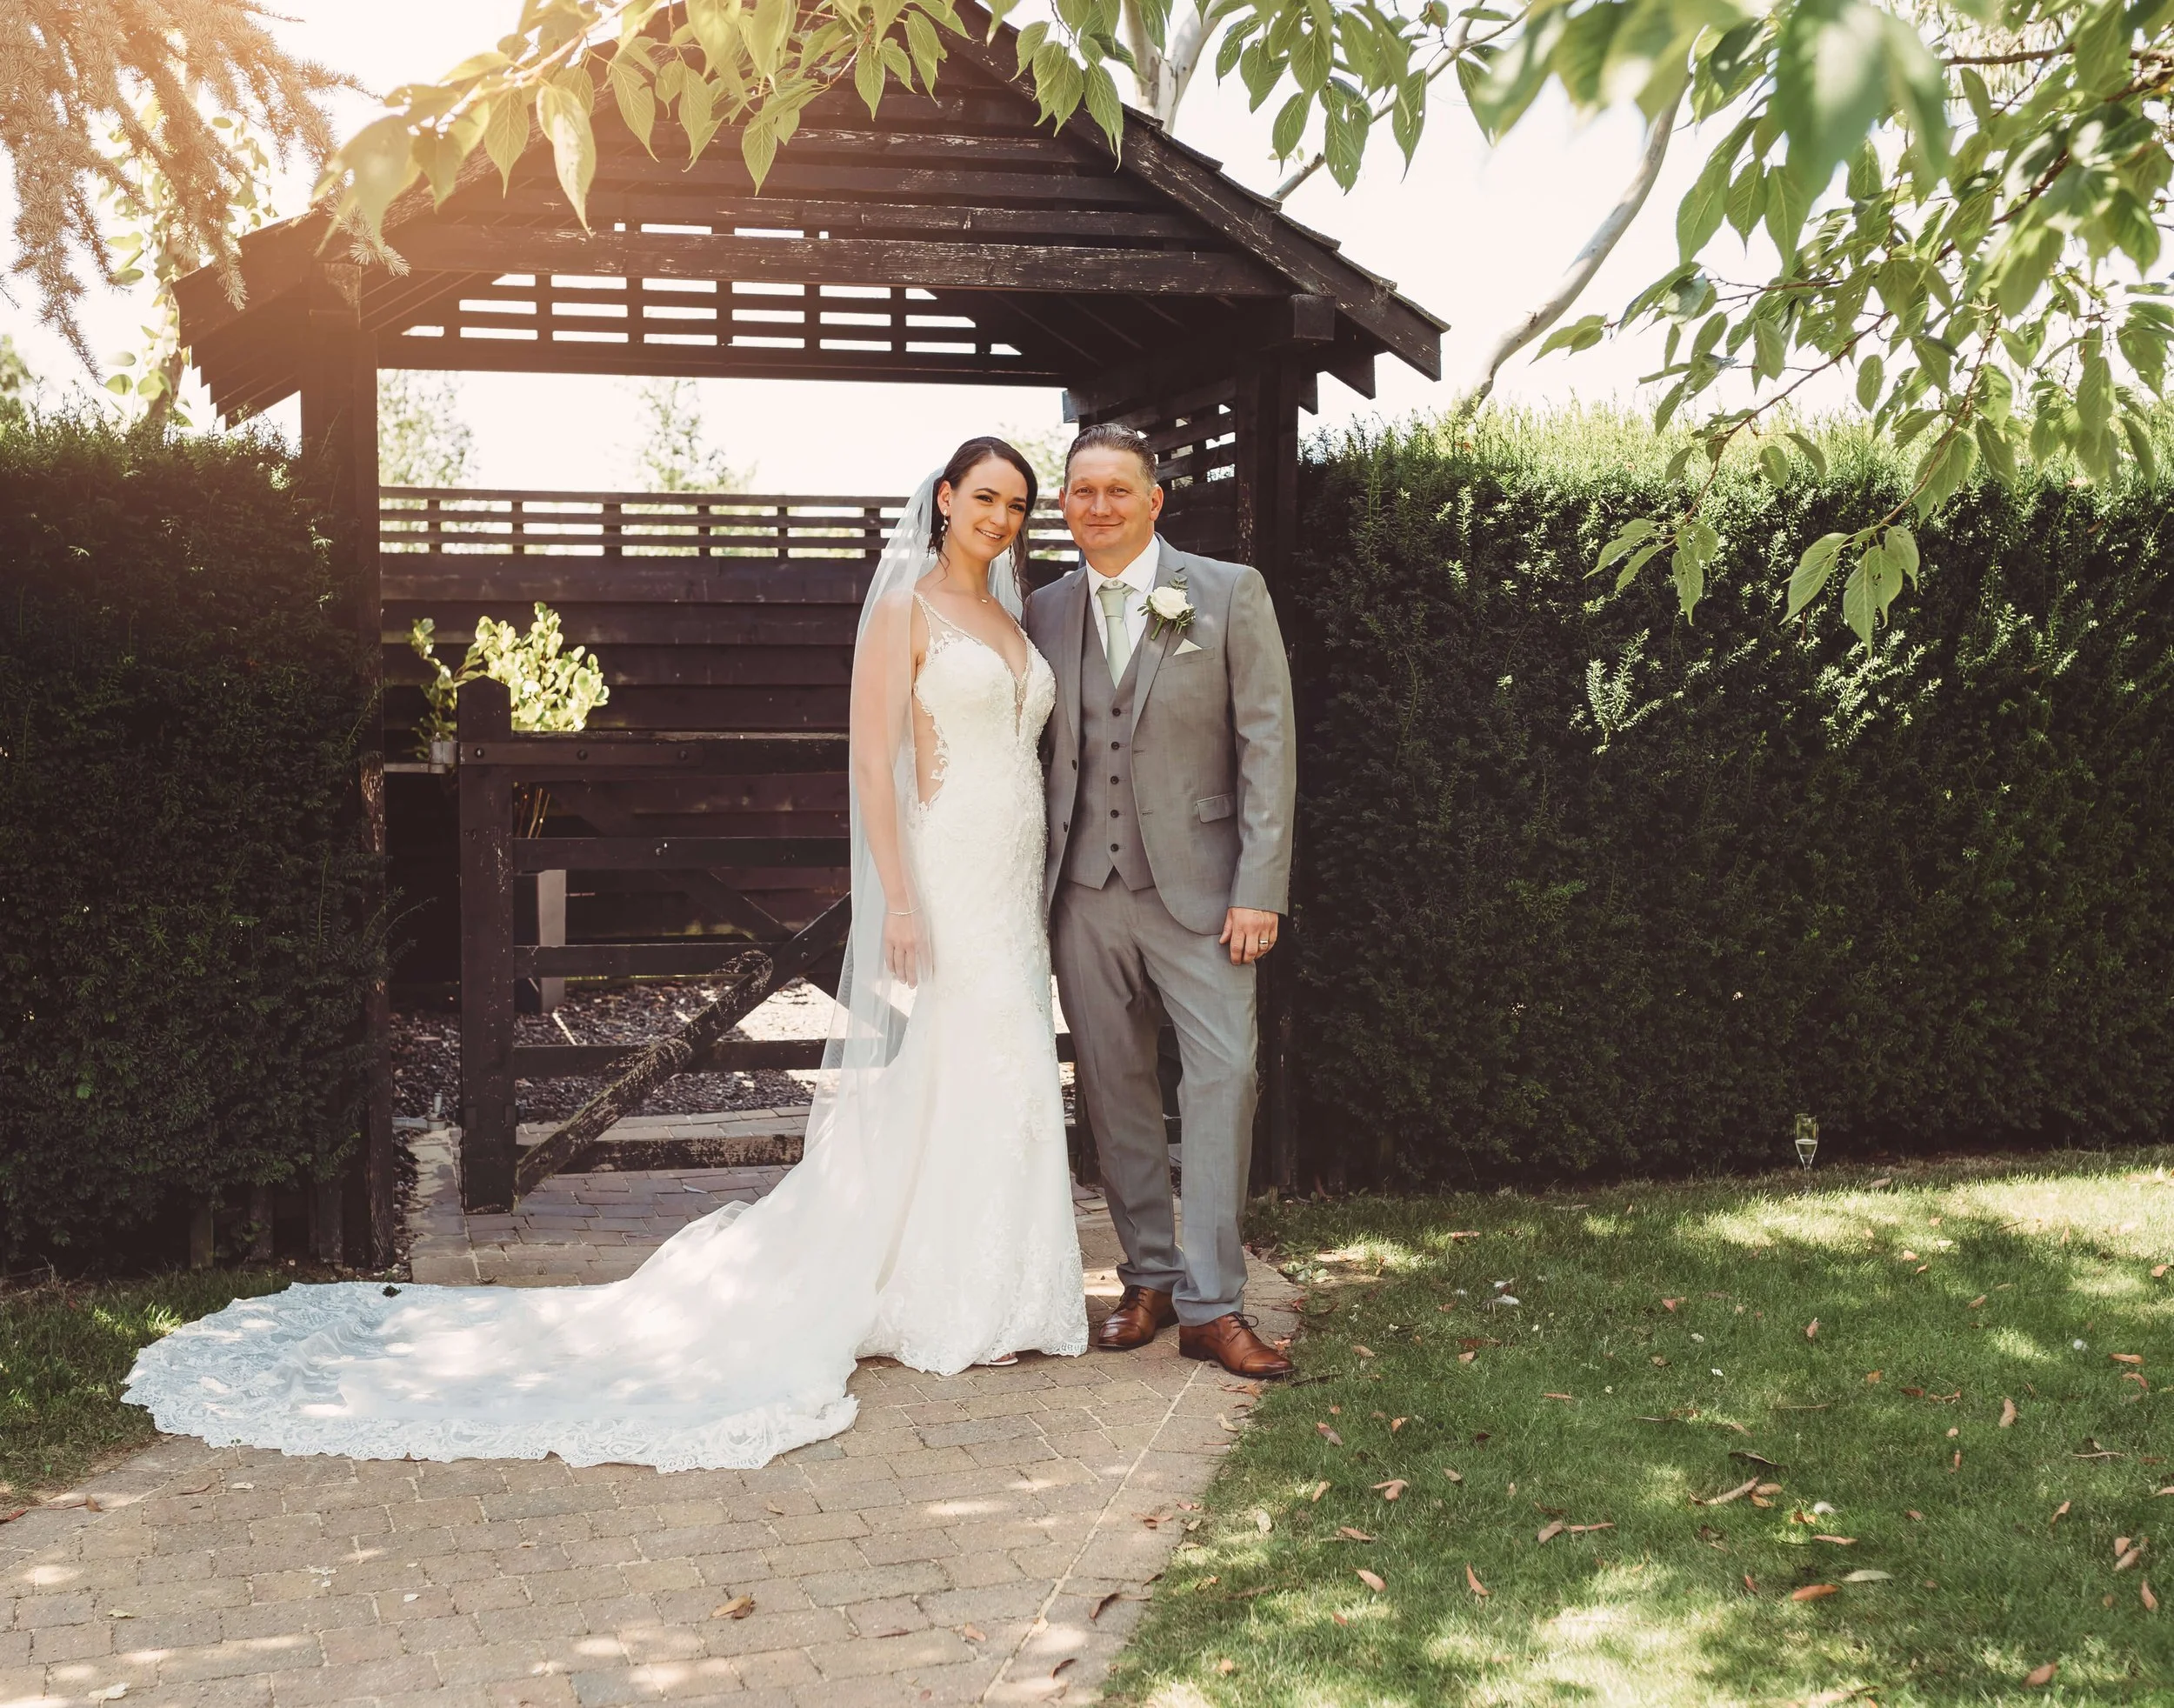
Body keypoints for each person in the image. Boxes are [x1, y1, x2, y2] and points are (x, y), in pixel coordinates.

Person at [123, 437, 1087, 1471]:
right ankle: (936, 1290)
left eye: (1018, 503)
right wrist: (897, 895)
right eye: (985, 495)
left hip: (1012, 866)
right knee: (955, 1056)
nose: (1001, 514)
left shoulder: (1018, 613)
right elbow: (871, 756)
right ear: (944, 498)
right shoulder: (906, 606)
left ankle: (1000, 1283)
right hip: (945, 863)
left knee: (1000, 1060)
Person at [1023, 424, 1297, 1380]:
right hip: (1084, 896)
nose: (1096, 506)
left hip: (1206, 893)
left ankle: (1215, 1303)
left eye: (1116, 490)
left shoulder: (1226, 593)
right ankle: (1148, 1278)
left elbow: (1268, 744)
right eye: (1080, 491)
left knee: (1222, 1082)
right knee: (1114, 1090)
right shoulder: (1042, 609)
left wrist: (1260, 887)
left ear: (1153, 501)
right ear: (1065, 504)